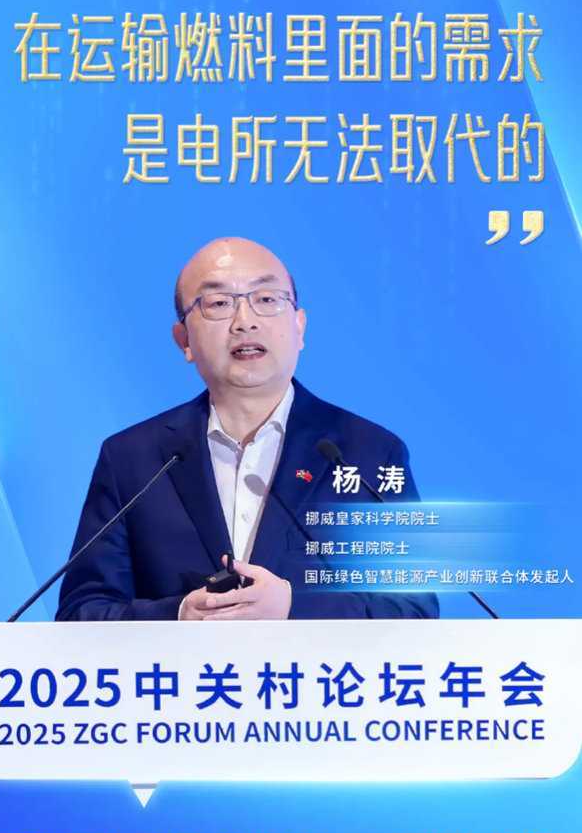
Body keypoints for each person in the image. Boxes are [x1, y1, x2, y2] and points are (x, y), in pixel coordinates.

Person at [55, 238, 438, 621]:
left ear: (299, 326)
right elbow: (82, 611)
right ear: (184, 340)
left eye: (267, 299)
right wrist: (179, 615)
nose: (245, 321)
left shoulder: (369, 452)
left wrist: (291, 608)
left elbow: (412, 610)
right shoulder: (131, 458)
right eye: (218, 303)